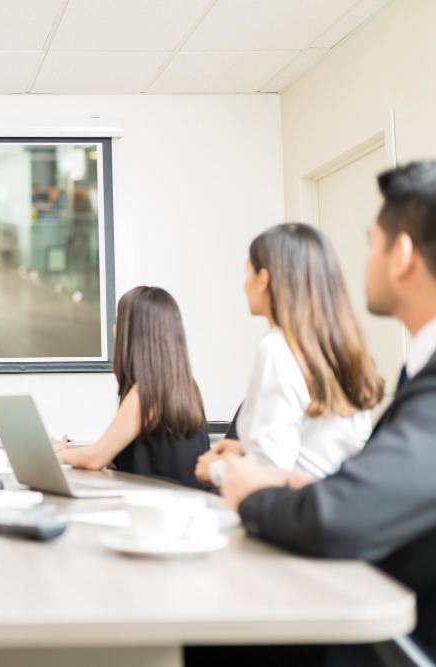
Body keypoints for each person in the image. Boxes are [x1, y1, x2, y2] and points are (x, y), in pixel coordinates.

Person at [217, 161, 436, 664]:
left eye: (371, 244)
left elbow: (336, 520)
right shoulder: (412, 370)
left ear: (401, 255)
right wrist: (312, 492)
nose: (363, 264)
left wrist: (257, 492)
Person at [196, 223, 383, 485]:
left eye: (248, 271)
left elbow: (271, 471)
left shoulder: (277, 348)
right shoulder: (341, 350)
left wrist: (215, 470)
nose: (245, 282)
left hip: (298, 514)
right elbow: (317, 446)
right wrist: (244, 449)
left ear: (264, 279)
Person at [54, 286, 209, 488]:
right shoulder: (185, 386)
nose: (113, 328)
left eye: (118, 320)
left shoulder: (147, 395)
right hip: (185, 507)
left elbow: (96, 459)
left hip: (161, 511)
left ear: (130, 332)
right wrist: (72, 451)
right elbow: (114, 453)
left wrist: (59, 455)